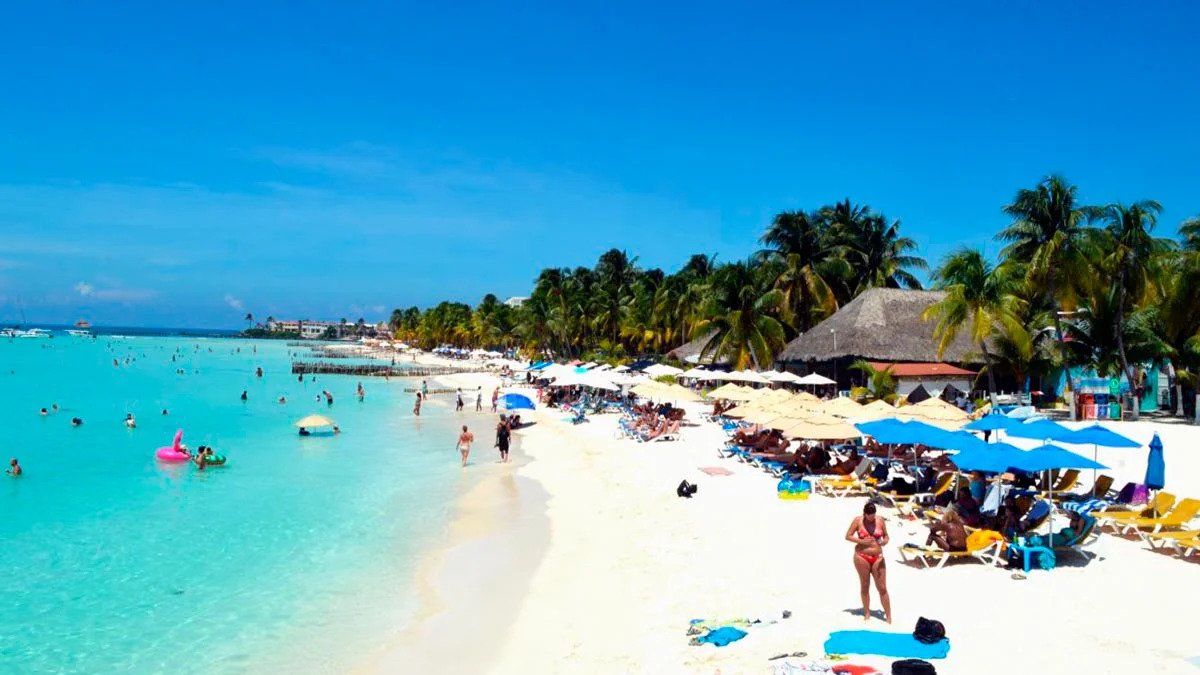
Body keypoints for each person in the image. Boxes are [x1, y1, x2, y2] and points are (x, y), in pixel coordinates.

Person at [845, 502, 891, 623]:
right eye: (869, 516)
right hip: (862, 556)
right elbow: (848, 536)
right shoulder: (858, 520)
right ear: (865, 514)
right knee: (865, 586)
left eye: (873, 516)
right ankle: (867, 613)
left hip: (878, 557)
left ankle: (888, 616)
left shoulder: (880, 520)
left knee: (882, 588)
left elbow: (886, 536)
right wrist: (861, 541)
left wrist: (885, 542)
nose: (872, 519)